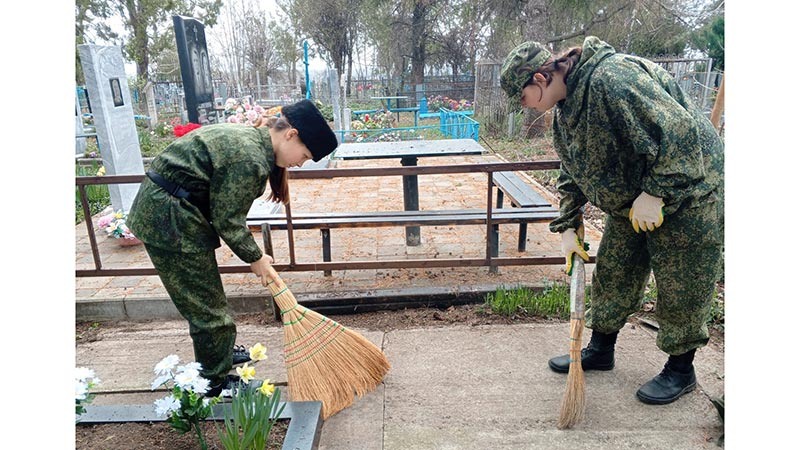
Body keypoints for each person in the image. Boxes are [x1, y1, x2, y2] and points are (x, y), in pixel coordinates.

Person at [500, 37, 723, 405]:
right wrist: (568, 224)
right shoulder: (566, 108)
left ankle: (681, 369)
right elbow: (573, 168)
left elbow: (681, 133)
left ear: (540, 79)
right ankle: (601, 348)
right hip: (632, 199)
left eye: (523, 98)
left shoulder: (612, 79)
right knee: (615, 270)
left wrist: (655, 193)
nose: (525, 108)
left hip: (689, 190)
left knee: (683, 281)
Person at [127, 99, 339, 397]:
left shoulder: (255, 142)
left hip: (176, 212)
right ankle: (212, 383)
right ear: (290, 134)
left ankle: (219, 354)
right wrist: (256, 258)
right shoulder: (249, 158)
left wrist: (256, 258)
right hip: (169, 220)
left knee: (209, 300)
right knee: (209, 311)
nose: (300, 163)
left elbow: (225, 213)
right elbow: (228, 220)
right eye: (304, 155)